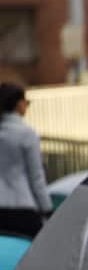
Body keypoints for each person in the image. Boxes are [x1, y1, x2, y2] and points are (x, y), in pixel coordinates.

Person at [0, 82, 51, 237]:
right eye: (26, 103)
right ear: (19, 104)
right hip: (22, 206)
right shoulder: (27, 134)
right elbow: (36, 178)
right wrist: (47, 208)